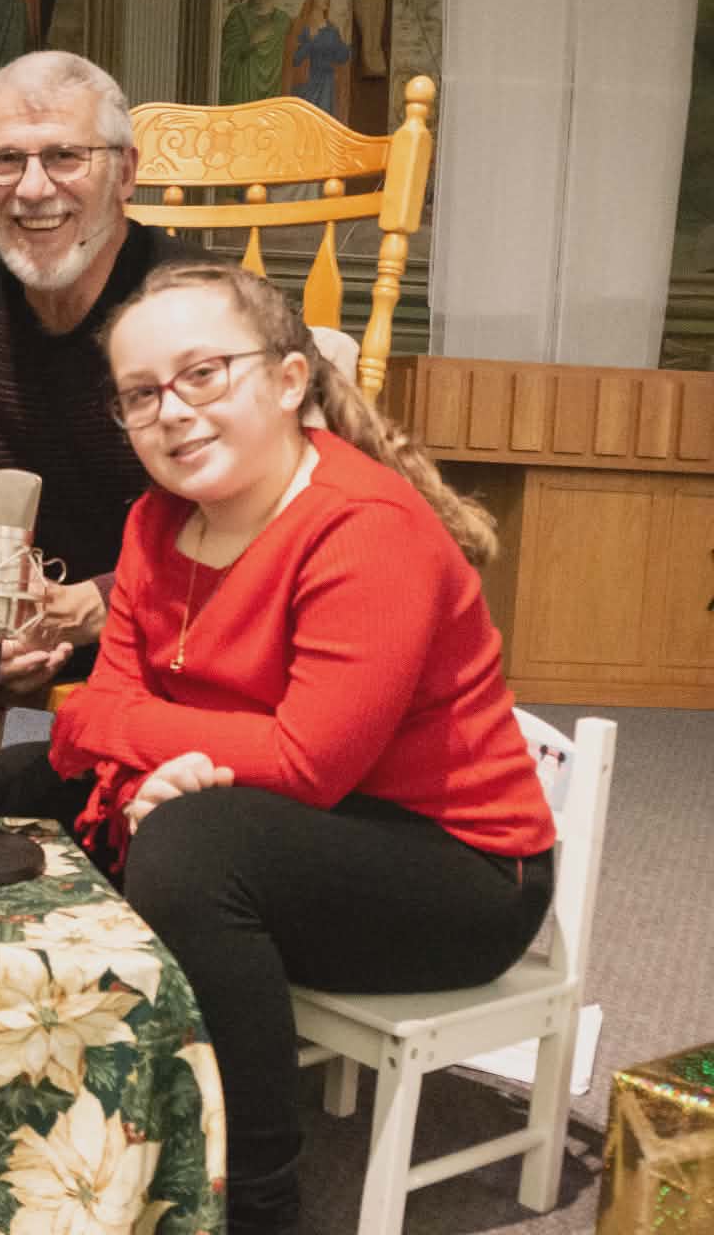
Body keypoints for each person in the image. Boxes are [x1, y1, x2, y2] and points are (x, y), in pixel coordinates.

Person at [44, 262, 556, 1231]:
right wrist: (149, 760)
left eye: (203, 374)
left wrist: (142, 753)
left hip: (460, 869)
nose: (172, 411)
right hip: (270, 810)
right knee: (10, 783)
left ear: (286, 382)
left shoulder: (367, 529)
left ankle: (258, 1204)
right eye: (140, 394)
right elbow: (82, 719)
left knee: (191, 851)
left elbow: (305, 760)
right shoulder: (153, 520)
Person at [0, 50, 188, 699]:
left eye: (65, 156)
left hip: (165, 595)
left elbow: (239, 515)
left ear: (126, 173)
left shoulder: (197, 302)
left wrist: (104, 599)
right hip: (3, 593)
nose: (33, 188)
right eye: (6, 160)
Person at [218, 0, 291, 105]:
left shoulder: (282, 20)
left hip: (274, 85)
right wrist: (251, 42)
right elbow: (226, 54)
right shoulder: (239, 15)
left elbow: (292, 51)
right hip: (245, 83)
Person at [284, 0, 353, 120]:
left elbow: (341, 57)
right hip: (307, 83)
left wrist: (346, 48)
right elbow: (295, 59)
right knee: (305, 120)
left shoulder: (332, 29)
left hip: (327, 83)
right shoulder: (301, 26)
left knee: (322, 120)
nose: (327, 0)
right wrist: (310, 42)